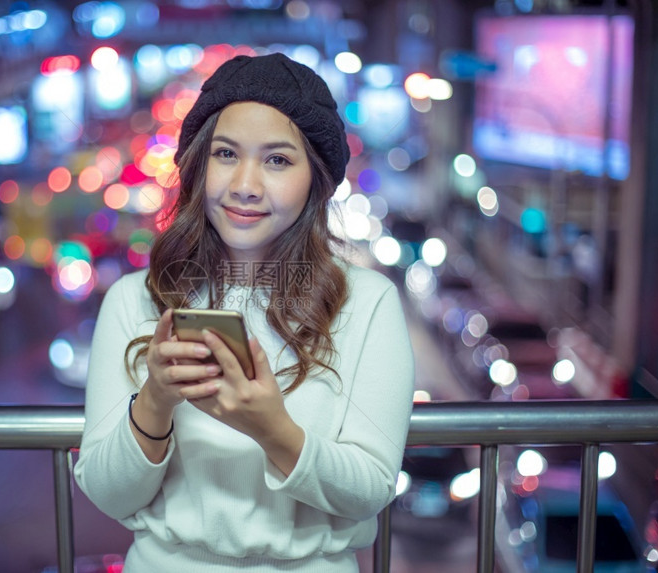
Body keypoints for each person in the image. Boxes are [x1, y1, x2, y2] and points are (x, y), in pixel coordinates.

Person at [74, 52, 415, 572]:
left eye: (277, 160)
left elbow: (370, 488)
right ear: (197, 164)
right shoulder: (136, 298)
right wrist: (156, 399)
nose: (245, 185)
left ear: (315, 179)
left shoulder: (366, 303)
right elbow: (107, 494)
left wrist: (272, 428)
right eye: (226, 154)